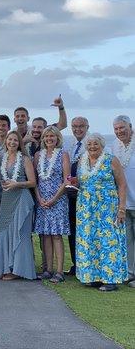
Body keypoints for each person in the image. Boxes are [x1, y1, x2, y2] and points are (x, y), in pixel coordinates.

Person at [75, 133, 128, 291]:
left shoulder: (111, 159)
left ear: (102, 145)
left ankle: (110, 280)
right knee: (89, 240)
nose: (92, 147)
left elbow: (122, 185)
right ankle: (93, 277)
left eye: (95, 144)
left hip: (107, 208)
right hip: (86, 208)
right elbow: (82, 181)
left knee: (108, 242)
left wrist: (122, 209)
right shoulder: (82, 160)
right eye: (89, 144)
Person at [0, 131, 37, 281]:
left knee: (20, 235)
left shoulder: (25, 159)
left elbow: (33, 182)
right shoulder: (1, 158)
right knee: (3, 233)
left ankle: (17, 270)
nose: (12, 142)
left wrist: (17, 183)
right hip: (6, 200)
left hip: (22, 199)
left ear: (19, 143)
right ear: (6, 141)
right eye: (10, 139)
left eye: (15, 140)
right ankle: (4, 267)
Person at [33, 126, 70, 283]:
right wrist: (39, 198)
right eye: (46, 136)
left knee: (56, 235)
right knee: (46, 235)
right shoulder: (37, 155)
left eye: (52, 136)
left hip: (58, 199)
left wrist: (54, 199)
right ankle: (48, 269)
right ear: (43, 139)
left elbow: (67, 179)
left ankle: (60, 271)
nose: (49, 139)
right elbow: (35, 180)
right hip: (42, 200)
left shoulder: (63, 154)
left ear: (57, 138)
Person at [111, 116, 135, 288]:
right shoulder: (114, 146)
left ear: (130, 127)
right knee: (126, 241)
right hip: (123, 203)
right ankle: (129, 273)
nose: (120, 131)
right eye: (117, 128)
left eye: (122, 128)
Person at [64, 116, 89, 275]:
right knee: (72, 231)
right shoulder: (70, 145)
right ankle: (76, 264)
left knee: (85, 231)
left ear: (87, 127)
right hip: (71, 196)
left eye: (81, 126)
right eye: (74, 126)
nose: (77, 129)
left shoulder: (91, 144)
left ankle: (85, 265)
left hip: (86, 195)